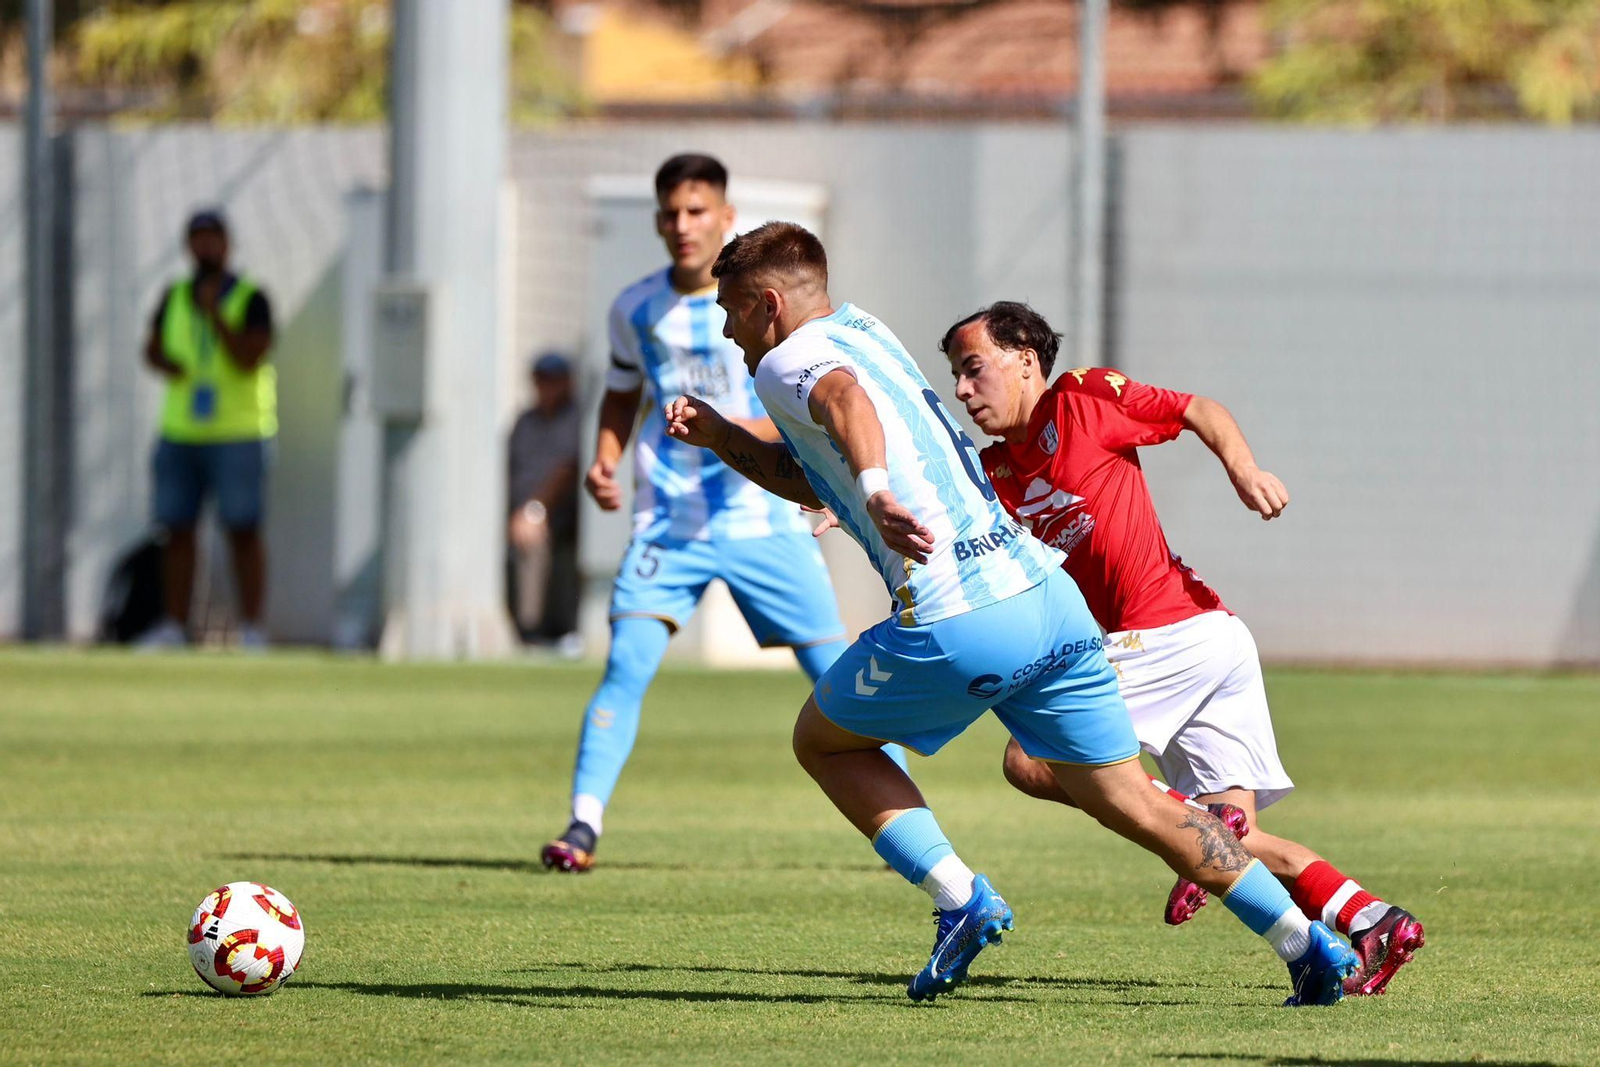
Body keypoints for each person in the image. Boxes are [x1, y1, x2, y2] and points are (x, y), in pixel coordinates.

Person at [665, 220, 1359, 1006]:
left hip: (958, 612)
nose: (726, 331)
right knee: (1134, 798)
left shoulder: (788, 362)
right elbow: (816, 460)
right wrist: (727, 438)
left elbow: (839, 399)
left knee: (823, 743)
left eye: (729, 313)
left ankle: (960, 898)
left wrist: (873, 490)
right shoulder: (865, 330)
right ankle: (1308, 945)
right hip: (1050, 600)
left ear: (768, 304)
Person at [942, 300, 1425, 996]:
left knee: (1029, 755)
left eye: (973, 368)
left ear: (1025, 358)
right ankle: (1373, 919)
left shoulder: (1081, 399)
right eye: (956, 375)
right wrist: (848, 498)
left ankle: (1200, 816)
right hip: (1210, 639)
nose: (963, 389)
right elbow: (936, 504)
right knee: (1226, 848)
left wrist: (1244, 468)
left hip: (1166, 630)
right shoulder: (994, 473)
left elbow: (1200, 408)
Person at [540, 154, 907, 874]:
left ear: (725, 218)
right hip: (669, 520)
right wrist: (605, 455)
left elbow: (813, 406)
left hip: (761, 518)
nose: (683, 225)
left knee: (838, 677)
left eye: (697, 211)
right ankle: (582, 824)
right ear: (657, 221)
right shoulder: (634, 308)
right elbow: (620, 393)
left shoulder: (766, 310)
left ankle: (908, 815)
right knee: (625, 665)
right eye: (671, 213)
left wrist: (821, 481)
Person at [139, 209, 275, 650]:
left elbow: (249, 356)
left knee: (242, 529)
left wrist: (216, 315)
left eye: (212, 238)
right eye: (197, 239)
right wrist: (167, 363)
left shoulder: (251, 298)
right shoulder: (175, 295)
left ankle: (252, 628)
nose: (205, 248)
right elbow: (152, 348)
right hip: (181, 432)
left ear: (227, 244)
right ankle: (175, 626)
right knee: (177, 530)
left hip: (237, 432)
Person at [507, 352, 581, 646]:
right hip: (519, 512)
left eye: (553, 380)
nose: (546, 387)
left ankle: (533, 630)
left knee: (532, 538)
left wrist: (534, 510)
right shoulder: (526, 421)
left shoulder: (576, 419)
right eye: (541, 380)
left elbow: (569, 469)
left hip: (561, 514)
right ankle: (525, 629)